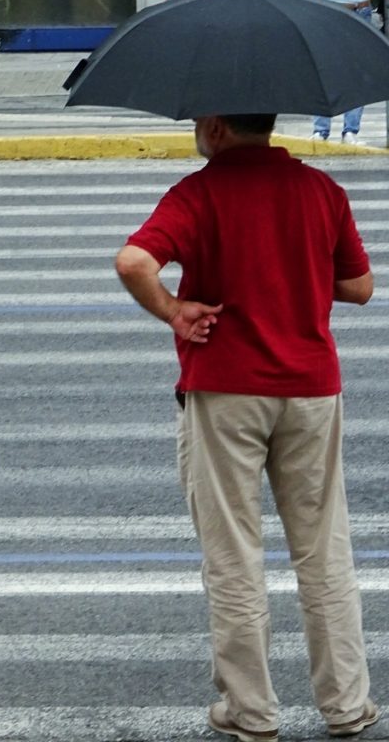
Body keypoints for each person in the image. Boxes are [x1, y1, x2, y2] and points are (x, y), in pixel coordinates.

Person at [114, 114, 379, 742]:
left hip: (226, 388)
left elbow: (133, 263)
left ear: (217, 125)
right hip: (311, 390)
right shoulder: (321, 191)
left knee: (234, 556)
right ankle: (346, 706)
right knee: (324, 552)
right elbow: (360, 287)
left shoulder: (198, 193)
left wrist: (176, 311)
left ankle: (251, 714)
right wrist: (297, 269)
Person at [311, 0, 379, 143]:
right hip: (331, 10)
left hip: (361, 11)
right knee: (325, 69)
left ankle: (351, 130)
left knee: (357, 72)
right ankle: (320, 130)